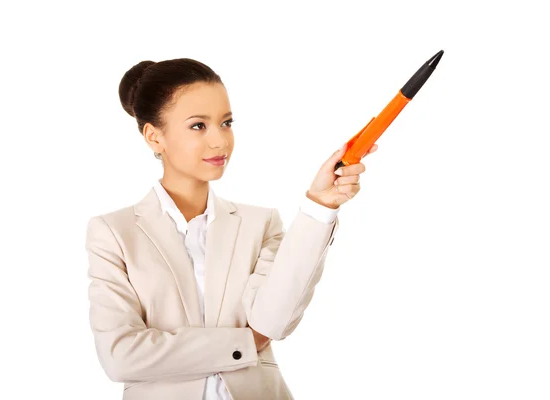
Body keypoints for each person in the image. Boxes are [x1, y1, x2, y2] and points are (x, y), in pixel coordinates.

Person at [84, 58, 377, 400]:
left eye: (226, 123)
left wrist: (319, 204)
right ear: (154, 137)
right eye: (198, 126)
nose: (220, 141)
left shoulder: (260, 223)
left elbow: (273, 324)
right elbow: (120, 356)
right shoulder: (114, 233)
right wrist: (242, 343)